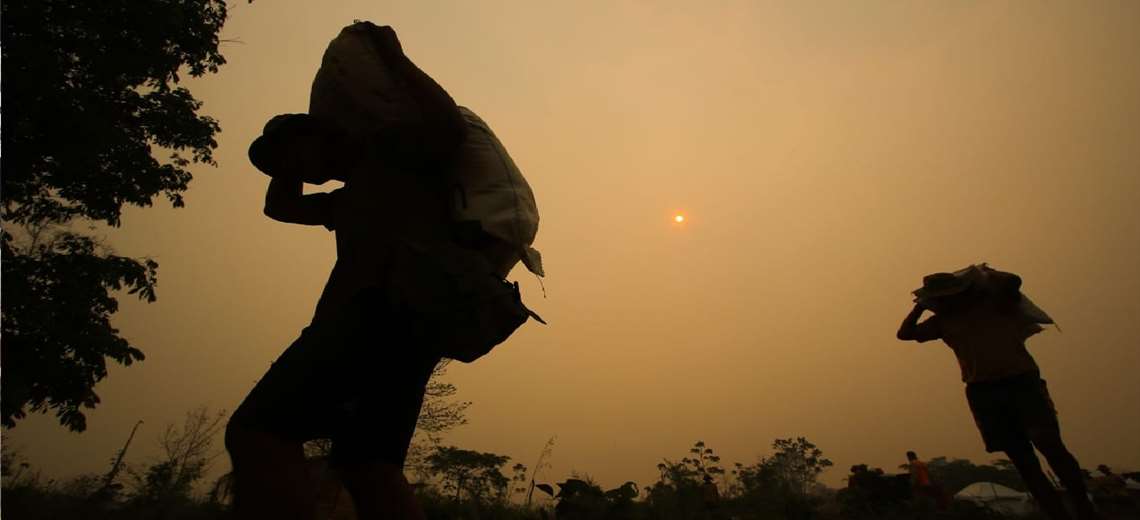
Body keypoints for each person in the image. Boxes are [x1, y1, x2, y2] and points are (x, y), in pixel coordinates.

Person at [225, 25, 468, 520]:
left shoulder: (390, 155)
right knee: (368, 465)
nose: (288, 173)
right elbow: (283, 208)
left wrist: (395, 59)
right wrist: (289, 158)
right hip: (408, 326)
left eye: (287, 157)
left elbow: (447, 128)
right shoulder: (351, 195)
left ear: (320, 137)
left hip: (374, 313)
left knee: (259, 431)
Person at [897, 269, 1100, 520]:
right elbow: (904, 334)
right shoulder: (942, 321)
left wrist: (984, 272)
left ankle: (1084, 508)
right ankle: (1057, 514)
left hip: (1021, 381)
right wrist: (920, 307)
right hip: (982, 390)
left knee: (1049, 444)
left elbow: (1013, 281)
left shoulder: (995, 304)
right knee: (1024, 461)